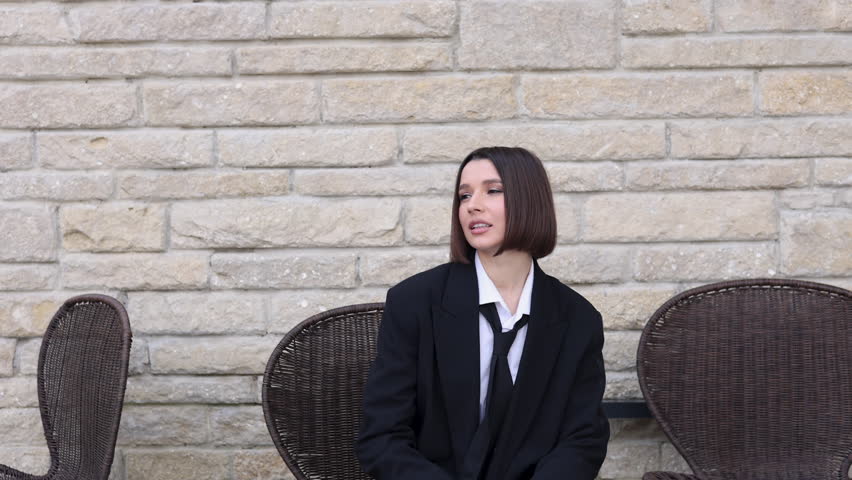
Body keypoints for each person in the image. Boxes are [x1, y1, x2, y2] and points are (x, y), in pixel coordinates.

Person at [357, 147, 609, 480]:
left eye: (492, 190)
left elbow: (582, 438)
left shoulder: (578, 319)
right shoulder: (413, 302)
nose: (472, 205)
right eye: (464, 195)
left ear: (529, 201)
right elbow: (382, 436)